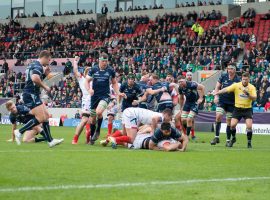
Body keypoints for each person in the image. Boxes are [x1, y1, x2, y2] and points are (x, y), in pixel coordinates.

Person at [14, 50, 64, 147]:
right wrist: (45, 87)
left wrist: (45, 74)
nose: (49, 62)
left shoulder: (34, 65)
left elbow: (34, 78)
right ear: (44, 57)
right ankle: (19, 131)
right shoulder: (38, 65)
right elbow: (34, 78)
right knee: (41, 117)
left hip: (32, 94)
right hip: (31, 94)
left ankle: (50, 141)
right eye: (48, 60)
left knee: (45, 116)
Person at [85, 52, 120, 145]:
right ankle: (92, 138)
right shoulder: (93, 69)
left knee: (98, 112)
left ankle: (98, 130)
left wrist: (118, 93)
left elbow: (114, 83)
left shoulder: (110, 70)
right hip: (94, 96)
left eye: (106, 61)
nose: (105, 63)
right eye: (103, 61)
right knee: (92, 119)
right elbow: (86, 81)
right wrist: (89, 89)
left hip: (105, 95)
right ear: (99, 61)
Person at [214, 72, 257, 148]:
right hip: (237, 109)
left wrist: (248, 94)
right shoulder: (236, 85)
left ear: (249, 79)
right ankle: (233, 138)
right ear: (241, 79)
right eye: (243, 79)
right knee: (232, 125)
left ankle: (249, 142)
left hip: (247, 109)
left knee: (249, 126)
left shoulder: (252, 87)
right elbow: (226, 89)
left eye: (246, 80)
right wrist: (217, 92)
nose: (244, 81)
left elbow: (254, 98)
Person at [106, 108, 173, 148]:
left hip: (128, 111)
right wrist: (153, 132)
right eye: (170, 118)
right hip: (132, 114)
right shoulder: (161, 117)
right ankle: (114, 139)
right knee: (131, 139)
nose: (170, 120)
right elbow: (153, 119)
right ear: (167, 115)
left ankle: (107, 140)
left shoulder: (157, 115)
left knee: (124, 133)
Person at [210, 65, 240, 146]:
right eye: (228, 69)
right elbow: (217, 87)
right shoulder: (223, 76)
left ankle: (227, 140)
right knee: (218, 116)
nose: (229, 70)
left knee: (229, 121)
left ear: (235, 70)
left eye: (231, 69)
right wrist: (216, 96)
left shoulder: (238, 79)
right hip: (222, 100)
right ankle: (216, 137)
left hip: (232, 103)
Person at [71, 57, 91, 144]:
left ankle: (76, 138)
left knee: (86, 120)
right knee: (87, 120)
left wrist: (75, 61)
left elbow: (75, 71)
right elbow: (75, 71)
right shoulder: (83, 79)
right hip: (89, 100)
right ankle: (86, 136)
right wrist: (75, 62)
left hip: (88, 100)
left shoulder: (82, 79)